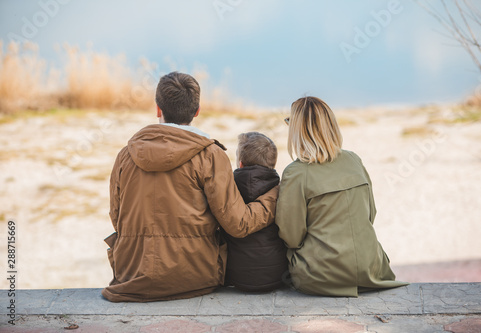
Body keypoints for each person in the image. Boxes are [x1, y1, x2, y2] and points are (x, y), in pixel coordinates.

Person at [102, 72, 278, 302]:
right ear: (197, 111)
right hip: (195, 277)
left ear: (158, 109)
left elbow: (117, 219)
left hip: (132, 275)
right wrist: (276, 195)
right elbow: (238, 224)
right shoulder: (211, 155)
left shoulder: (126, 155)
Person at [276, 96, 407, 297]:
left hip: (321, 275)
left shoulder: (296, 172)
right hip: (371, 269)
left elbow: (291, 237)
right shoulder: (354, 160)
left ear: (297, 131)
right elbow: (370, 213)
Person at [222, 132, 288, 292]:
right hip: (277, 273)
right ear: (272, 164)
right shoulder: (282, 191)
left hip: (234, 274)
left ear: (240, 163)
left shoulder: (228, 190)